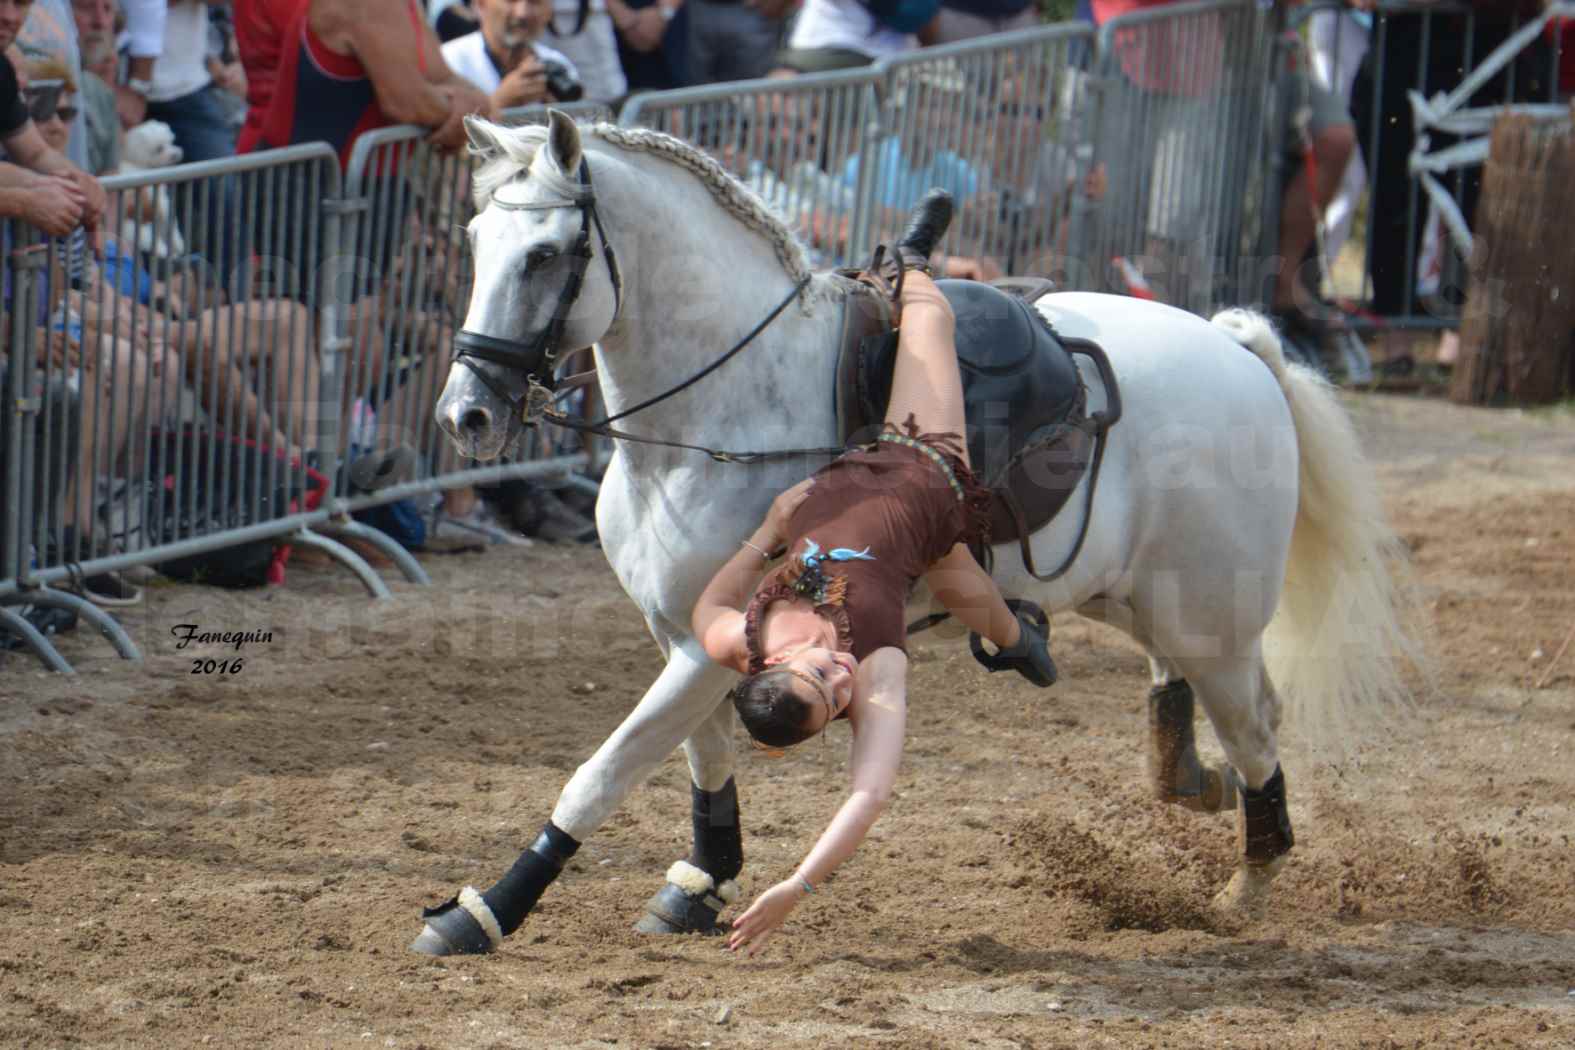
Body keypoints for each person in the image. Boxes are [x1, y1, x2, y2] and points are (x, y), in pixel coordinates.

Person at [688, 192, 1054, 954]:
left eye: (822, 678)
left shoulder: (740, 639)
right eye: (836, 702)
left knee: (955, 575)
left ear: (772, 664)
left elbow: (707, 607)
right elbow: (869, 792)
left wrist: (765, 532)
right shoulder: (878, 668)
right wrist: (797, 884)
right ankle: (912, 263)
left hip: (848, 485)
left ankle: (1016, 639)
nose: (842, 678)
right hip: (921, 467)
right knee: (931, 322)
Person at [439, 0, 584, 110]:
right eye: (511, 0)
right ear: (480, 4)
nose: (523, 13)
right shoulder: (449, 62)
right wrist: (499, 103)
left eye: (535, 1)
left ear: (549, 10)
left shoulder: (558, 66)